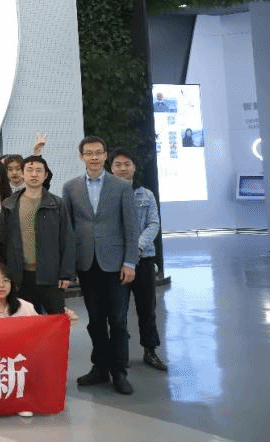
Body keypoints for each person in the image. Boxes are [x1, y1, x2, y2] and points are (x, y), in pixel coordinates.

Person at [63, 135, 139, 395]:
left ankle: (119, 371)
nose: (94, 157)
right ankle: (100, 367)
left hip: (116, 264)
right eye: (89, 153)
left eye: (98, 152)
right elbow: (68, 230)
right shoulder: (71, 188)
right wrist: (69, 267)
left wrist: (130, 262)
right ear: (81, 157)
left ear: (105, 156)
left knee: (118, 320)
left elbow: (131, 227)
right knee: (95, 320)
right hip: (86, 263)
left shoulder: (121, 187)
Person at [110, 148, 167, 371]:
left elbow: (153, 224)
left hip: (144, 259)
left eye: (127, 164)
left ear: (134, 167)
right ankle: (120, 354)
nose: (123, 168)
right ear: (111, 168)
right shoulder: (106, 196)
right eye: (118, 164)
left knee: (147, 308)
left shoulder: (146, 195)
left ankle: (150, 351)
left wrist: (135, 248)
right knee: (118, 311)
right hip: (116, 262)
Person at [0, 155, 74, 315]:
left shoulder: (57, 204)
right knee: (26, 322)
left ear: (46, 175)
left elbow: (67, 240)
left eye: (39, 170)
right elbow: (3, 241)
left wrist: (66, 274)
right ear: (22, 174)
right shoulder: (9, 205)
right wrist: (8, 273)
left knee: (55, 320)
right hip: (20, 276)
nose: (34, 174)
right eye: (30, 170)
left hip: (51, 275)